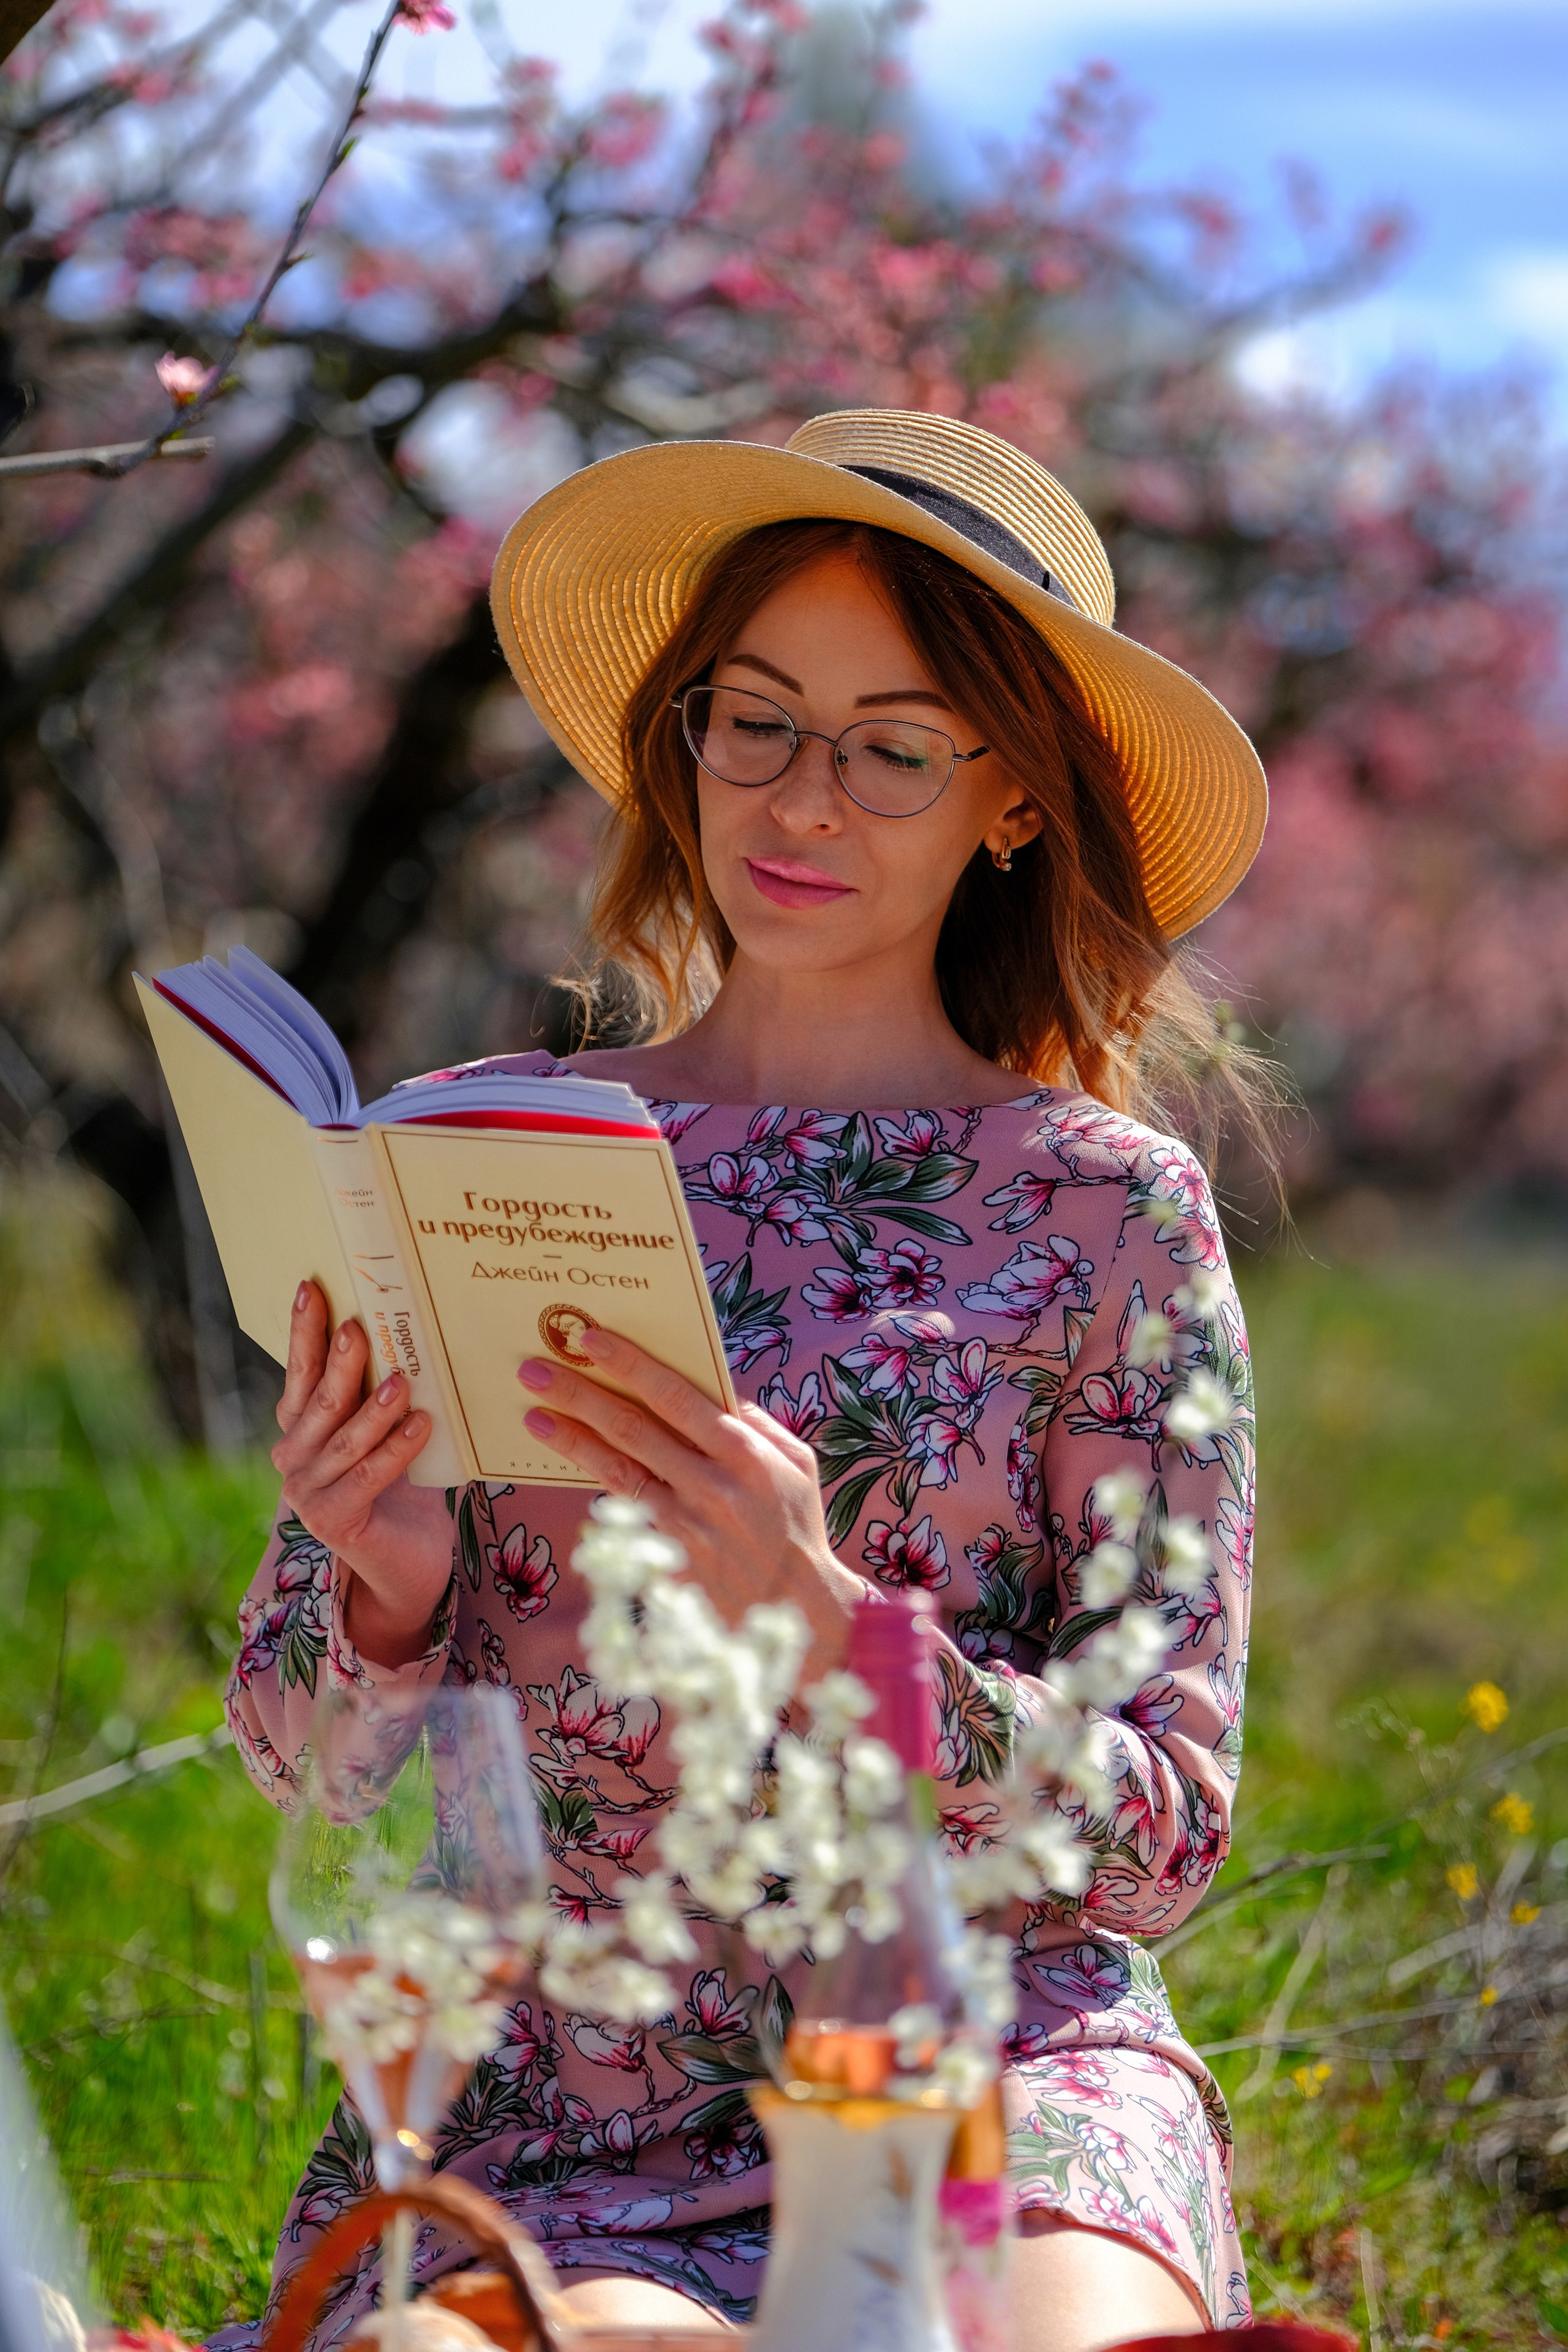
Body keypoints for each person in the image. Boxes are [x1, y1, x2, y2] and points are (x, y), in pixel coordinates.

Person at [224, 409, 1267, 2350]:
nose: (803, 801)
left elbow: (1165, 1840)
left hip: (983, 2068)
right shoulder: (470, 1151)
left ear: (1011, 801)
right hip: (556, 2106)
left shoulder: (1109, 1211)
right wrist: (382, 1584)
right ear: (683, 736)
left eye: (894, 749)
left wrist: (832, 1623)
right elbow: (303, 1771)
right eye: (757, 721)